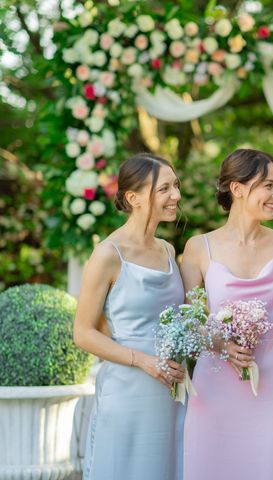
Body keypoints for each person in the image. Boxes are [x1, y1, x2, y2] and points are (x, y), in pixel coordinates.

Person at [180, 149, 273, 480]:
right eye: (268, 185)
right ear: (237, 188)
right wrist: (220, 342)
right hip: (215, 384)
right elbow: (191, 323)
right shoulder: (197, 248)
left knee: (269, 467)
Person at [74, 153, 186, 480]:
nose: (176, 196)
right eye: (164, 188)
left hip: (169, 389)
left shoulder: (167, 249)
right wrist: (145, 361)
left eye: (175, 186)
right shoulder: (108, 254)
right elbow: (83, 332)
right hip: (128, 387)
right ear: (134, 198)